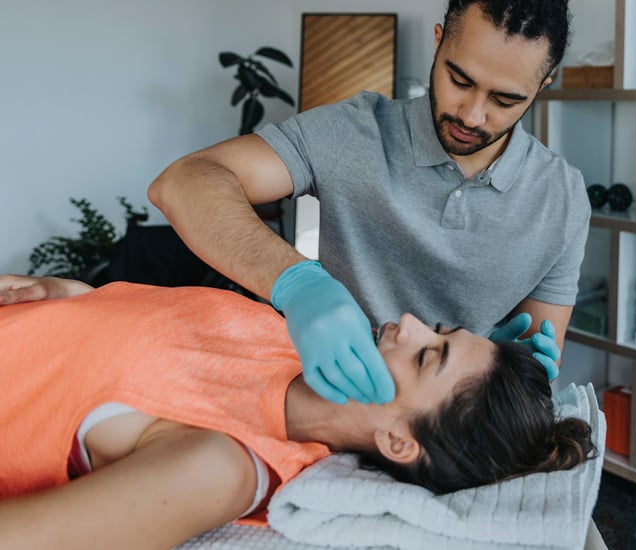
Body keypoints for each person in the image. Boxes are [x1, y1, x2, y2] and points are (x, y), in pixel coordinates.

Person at [142, 0, 590, 406]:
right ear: (437, 44)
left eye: (506, 99)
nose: (472, 115)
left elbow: (529, 391)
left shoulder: (562, 200)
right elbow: (181, 183)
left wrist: (514, 372)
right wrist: (298, 284)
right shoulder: (353, 132)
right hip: (324, 405)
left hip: (442, 433)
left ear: (543, 84)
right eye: (460, 79)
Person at [0, 275, 595, 548]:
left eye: (427, 356)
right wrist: (69, 296)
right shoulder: (294, 335)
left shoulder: (223, 465)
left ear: (397, 441)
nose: (408, 323)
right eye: (438, 331)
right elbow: (132, 344)